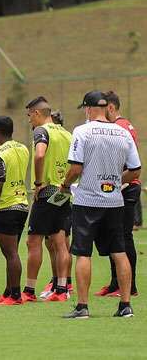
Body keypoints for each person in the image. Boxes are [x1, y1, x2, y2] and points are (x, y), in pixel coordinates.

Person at [62, 91, 140, 319]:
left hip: (87, 200)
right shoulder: (122, 132)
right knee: (119, 251)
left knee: (83, 253)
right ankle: (125, 305)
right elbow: (135, 170)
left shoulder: (82, 131)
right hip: (115, 201)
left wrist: (65, 185)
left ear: (88, 108)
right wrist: (116, 182)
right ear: (107, 108)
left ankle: (82, 307)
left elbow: (75, 169)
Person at [23, 96, 73, 302]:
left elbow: (40, 155)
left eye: (29, 116)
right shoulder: (67, 134)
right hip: (64, 191)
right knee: (60, 241)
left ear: (37, 113)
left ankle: (29, 291)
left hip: (47, 190)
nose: (29, 121)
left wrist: (38, 184)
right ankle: (62, 289)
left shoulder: (41, 131)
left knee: (33, 241)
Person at [0, 116, 30, 306]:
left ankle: (15, 296)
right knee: (12, 252)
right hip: (22, 204)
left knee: (11, 254)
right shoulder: (22, 148)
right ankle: (8, 292)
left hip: (5, 206)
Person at [93, 91, 139, 297]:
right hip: (123, 186)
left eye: (104, 109)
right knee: (115, 236)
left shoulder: (118, 128)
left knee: (123, 237)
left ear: (110, 108)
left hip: (125, 186)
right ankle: (115, 283)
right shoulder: (125, 125)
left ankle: (129, 287)